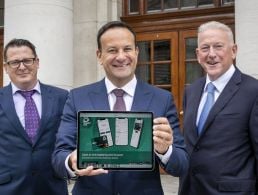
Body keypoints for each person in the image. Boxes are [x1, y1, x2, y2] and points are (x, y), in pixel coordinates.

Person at [52, 21, 188, 195]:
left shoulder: (162, 99)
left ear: (137, 53)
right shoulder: (77, 97)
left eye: (127, 49)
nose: (121, 56)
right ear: (99, 55)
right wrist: (72, 161)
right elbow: (59, 156)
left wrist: (165, 150)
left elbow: (181, 165)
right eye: (112, 50)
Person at [179, 21, 258, 195]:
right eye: (205, 48)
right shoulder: (191, 91)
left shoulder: (253, 91)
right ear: (198, 54)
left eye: (218, 46)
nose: (211, 54)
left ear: (234, 50)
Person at [0, 39, 69, 195]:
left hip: (52, 186)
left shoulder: (62, 97)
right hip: (8, 188)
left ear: (37, 62)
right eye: (15, 62)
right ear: (6, 67)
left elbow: (69, 138)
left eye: (27, 60)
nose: (22, 67)